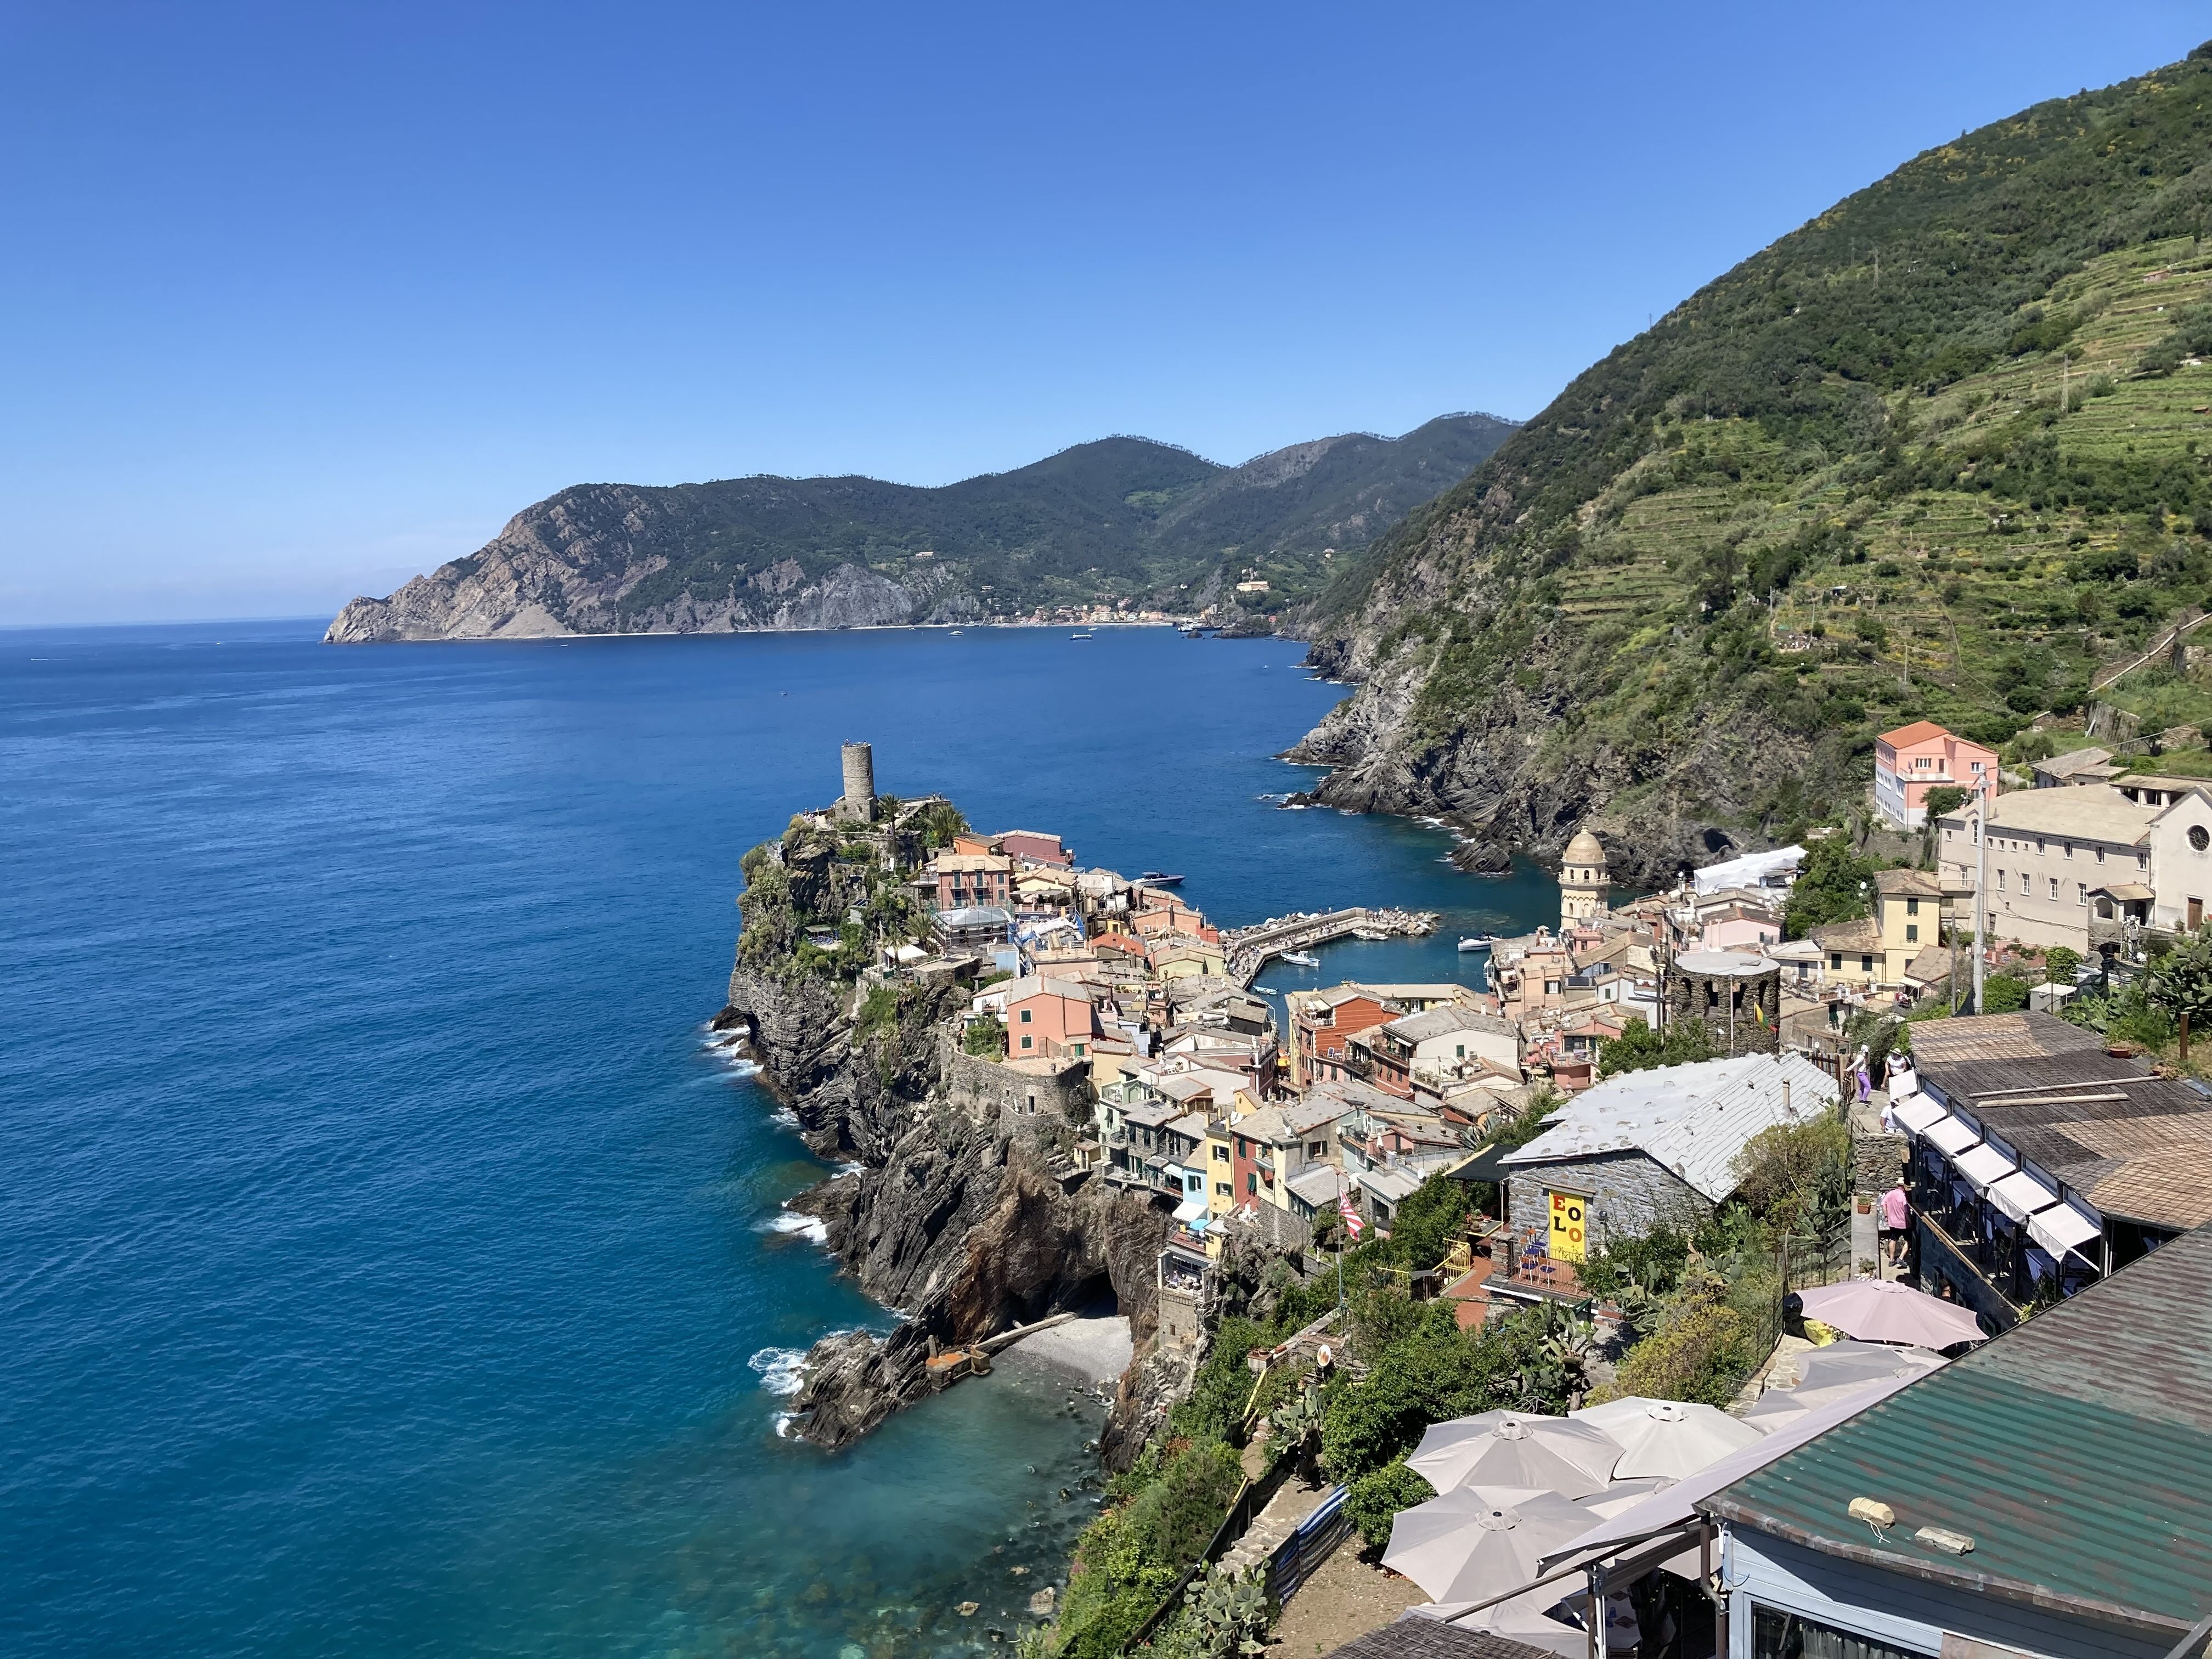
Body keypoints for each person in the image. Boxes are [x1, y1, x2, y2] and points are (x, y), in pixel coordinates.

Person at [1881, 1180, 1909, 1271]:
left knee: (1893, 1240)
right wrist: (1911, 1221)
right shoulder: (1904, 1197)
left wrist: (1886, 1216)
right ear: (1903, 1186)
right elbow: (1906, 1211)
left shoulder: (1890, 1194)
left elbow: (1883, 1204)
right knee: (1909, 1241)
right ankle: (1901, 1258)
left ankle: (1891, 1260)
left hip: (1893, 1223)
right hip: (1904, 1224)